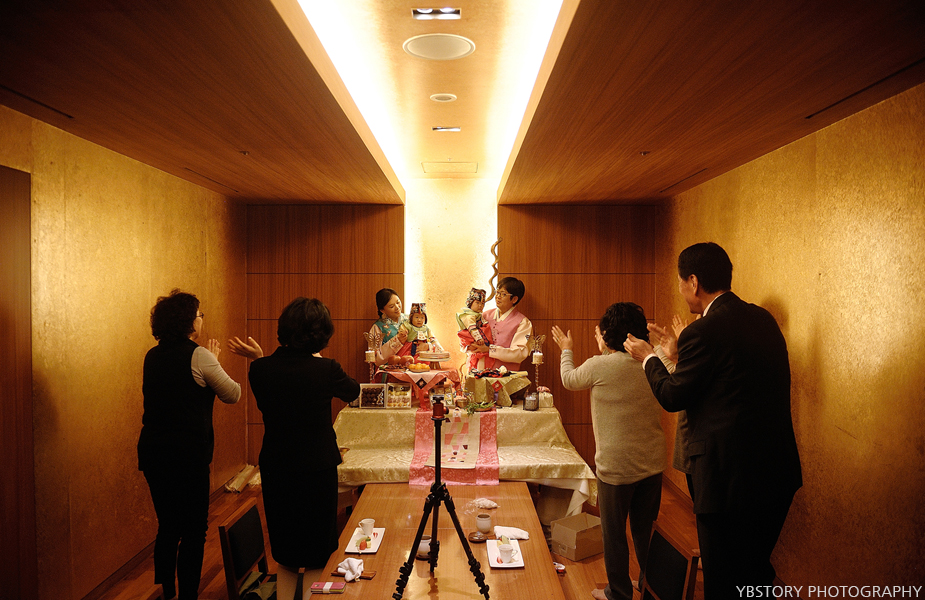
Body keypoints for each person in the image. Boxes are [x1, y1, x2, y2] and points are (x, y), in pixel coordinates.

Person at [623, 242, 802, 599]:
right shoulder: (763, 320)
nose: (680, 290)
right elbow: (728, 384)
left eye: (680, 282)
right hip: (776, 470)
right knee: (755, 568)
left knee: (723, 576)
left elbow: (673, 396)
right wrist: (677, 355)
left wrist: (649, 357)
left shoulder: (703, 330)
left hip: (727, 479)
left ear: (693, 281)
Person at [229, 298, 360, 600]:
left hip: (277, 467)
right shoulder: (326, 369)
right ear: (322, 334)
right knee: (317, 551)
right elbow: (352, 391)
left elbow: (276, 384)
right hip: (317, 467)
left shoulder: (259, 369)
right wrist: (316, 357)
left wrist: (261, 357)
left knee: (286, 552)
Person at [551, 303, 665, 600]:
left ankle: (618, 592)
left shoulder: (599, 366)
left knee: (614, 534)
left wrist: (566, 349)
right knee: (645, 530)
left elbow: (569, 379)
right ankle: (650, 585)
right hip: (652, 463)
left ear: (607, 335)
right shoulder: (654, 362)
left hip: (615, 467)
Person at [138, 289, 242, 600]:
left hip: (153, 452)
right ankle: (188, 596)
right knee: (194, 529)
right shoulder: (199, 355)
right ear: (188, 321)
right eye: (199, 315)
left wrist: (210, 364)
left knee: (168, 524)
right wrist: (215, 363)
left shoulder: (152, 355)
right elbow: (233, 394)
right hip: (187, 456)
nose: (201, 320)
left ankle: (167, 590)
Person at [468, 277, 532, 371]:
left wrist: (490, 350)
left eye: (503, 294)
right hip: (480, 371)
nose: (498, 296)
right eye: (497, 292)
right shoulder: (484, 315)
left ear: (514, 299)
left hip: (505, 374)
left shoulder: (523, 322)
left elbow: (519, 354)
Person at [369, 287, 411, 366]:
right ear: (382, 310)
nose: (397, 307)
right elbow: (375, 358)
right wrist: (397, 341)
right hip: (390, 369)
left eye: (398, 302)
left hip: (412, 366)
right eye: (391, 306)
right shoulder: (377, 327)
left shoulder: (410, 320)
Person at [456, 288, 494, 372]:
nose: (480, 305)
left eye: (482, 303)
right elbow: (472, 328)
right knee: (478, 358)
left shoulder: (478, 315)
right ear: (470, 302)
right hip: (471, 338)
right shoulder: (468, 315)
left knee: (480, 358)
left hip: (477, 340)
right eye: (477, 302)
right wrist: (479, 338)